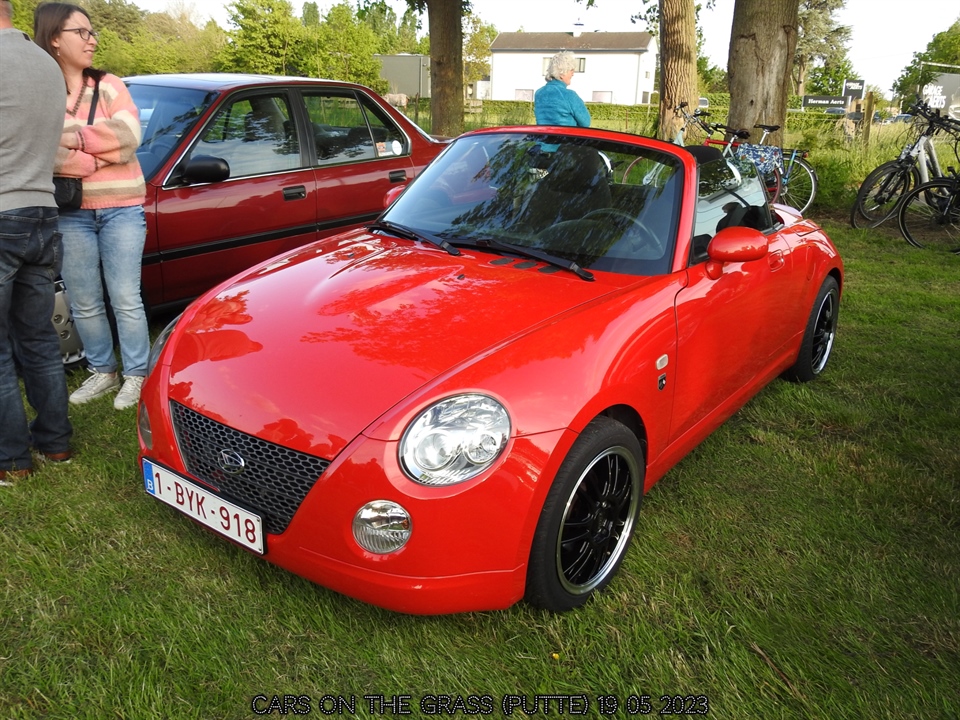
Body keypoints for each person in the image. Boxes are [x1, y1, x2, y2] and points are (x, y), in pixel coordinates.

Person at [34, 2, 149, 411]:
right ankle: (104, 371)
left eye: (92, 31)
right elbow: (39, 149)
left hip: (122, 209)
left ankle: (136, 374)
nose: (92, 40)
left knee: (125, 297)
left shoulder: (110, 85)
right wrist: (100, 151)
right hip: (71, 213)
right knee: (84, 301)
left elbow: (130, 134)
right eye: (81, 32)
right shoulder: (41, 92)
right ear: (54, 39)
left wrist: (74, 141)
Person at [0, 0, 73, 484]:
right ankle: (55, 443)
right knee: (40, 338)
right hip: (42, 212)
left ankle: (11, 460)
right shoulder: (46, 63)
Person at [534, 51, 591, 128]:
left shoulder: (539, 93)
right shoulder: (570, 95)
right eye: (571, 70)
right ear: (561, 73)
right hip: (565, 135)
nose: (573, 74)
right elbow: (586, 122)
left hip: (542, 135)